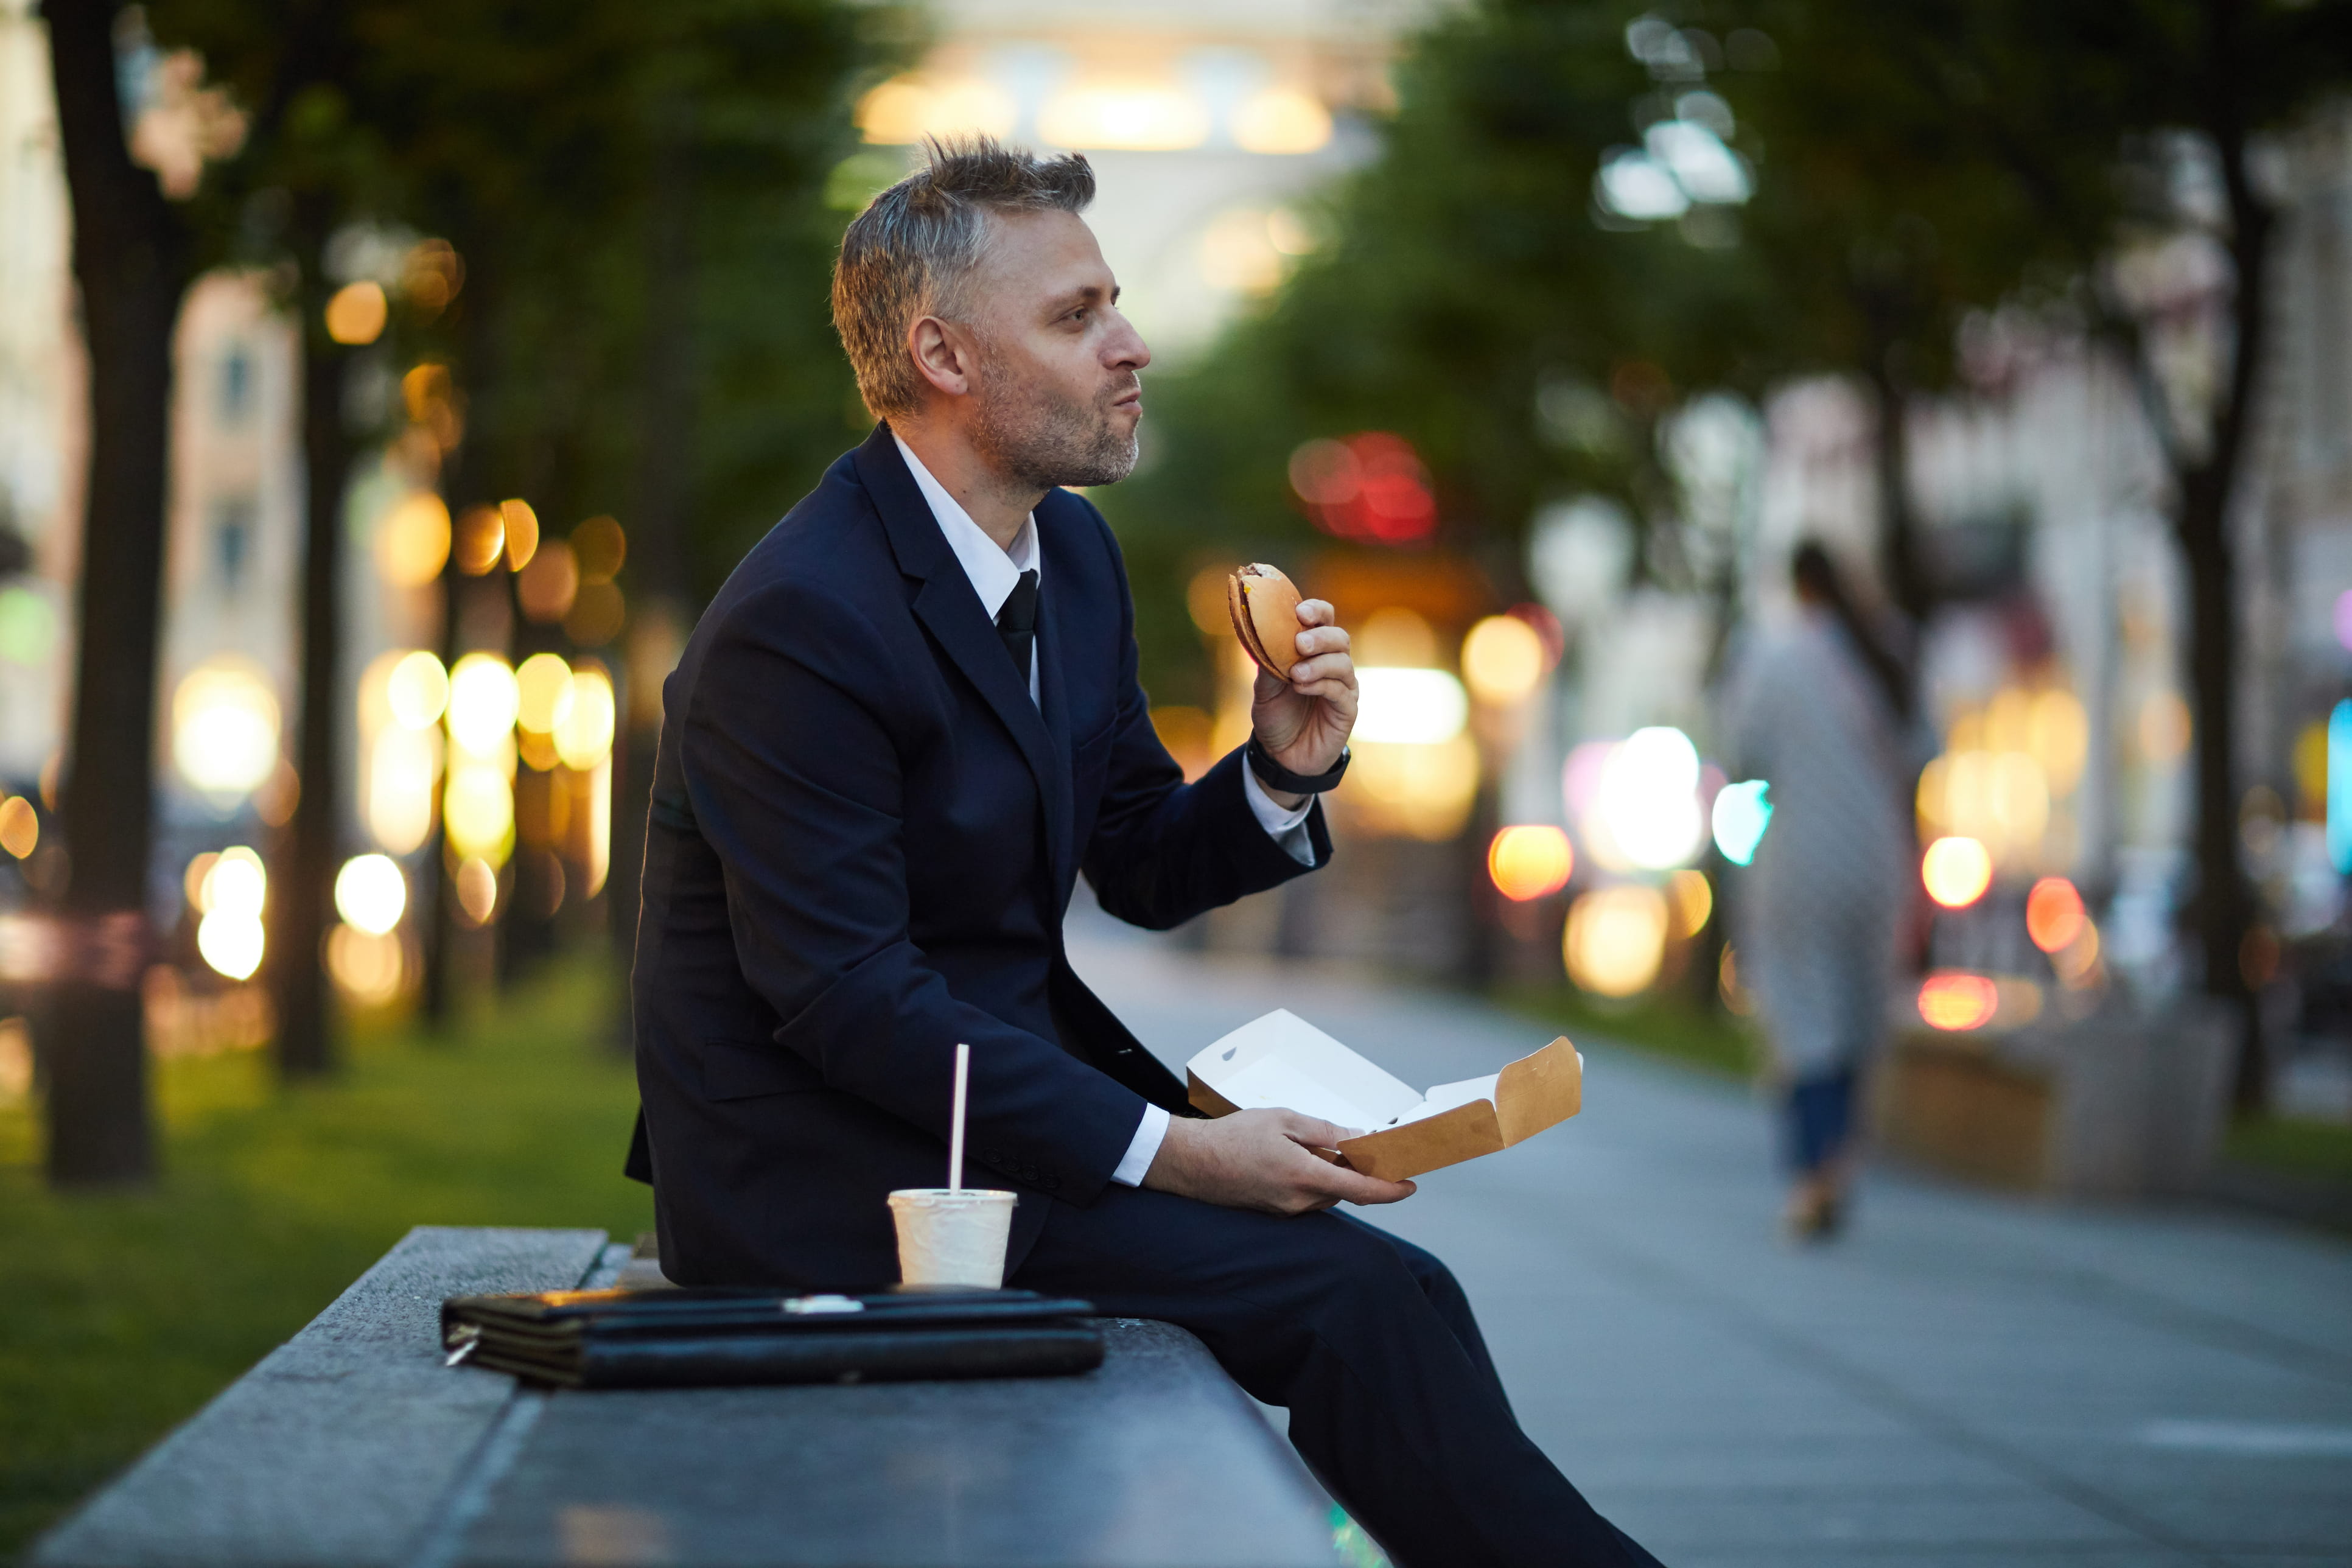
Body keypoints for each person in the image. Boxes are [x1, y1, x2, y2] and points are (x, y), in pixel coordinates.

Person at [623, 138, 1664, 1568]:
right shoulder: (804, 619)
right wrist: (1178, 1155)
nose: (1133, 345)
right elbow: (847, 997)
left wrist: (1283, 772)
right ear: (940, 355)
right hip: (837, 1187)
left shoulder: (1075, 557)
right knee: (1368, 1304)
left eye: (1114, 300)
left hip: (982, 1135)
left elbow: (1137, 860)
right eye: (1076, 316)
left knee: (1386, 1298)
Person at [1722, 541, 1916, 1240]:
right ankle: (1842, 1161)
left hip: (1800, 861)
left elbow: (1745, 750)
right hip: (1879, 862)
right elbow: (1924, 746)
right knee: (1861, 1014)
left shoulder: (1778, 656)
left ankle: (1813, 1173)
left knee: (1804, 1017)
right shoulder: (1889, 647)